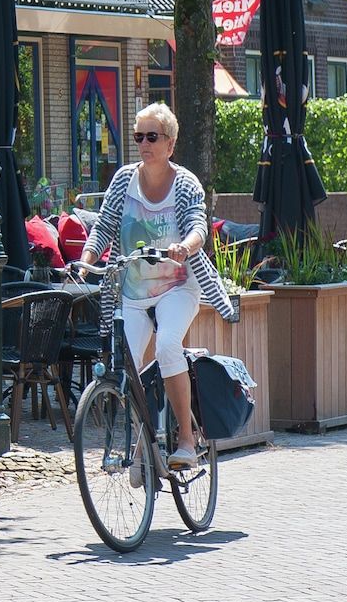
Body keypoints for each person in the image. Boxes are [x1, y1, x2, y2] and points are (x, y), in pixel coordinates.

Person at [79, 102, 237, 469]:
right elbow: (103, 227)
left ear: (170, 144)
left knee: (167, 346)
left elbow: (198, 225)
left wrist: (186, 246)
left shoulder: (185, 183)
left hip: (177, 286)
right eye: (139, 137)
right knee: (127, 365)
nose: (144, 144)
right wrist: (85, 262)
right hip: (133, 292)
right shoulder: (123, 180)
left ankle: (186, 440)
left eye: (152, 137)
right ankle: (143, 444)